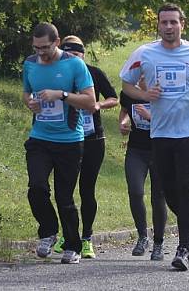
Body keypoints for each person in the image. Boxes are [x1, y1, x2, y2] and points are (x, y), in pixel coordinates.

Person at [120, 3, 189, 271]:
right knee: (168, 191)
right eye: (164, 23)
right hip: (160, 133)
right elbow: (126, 84)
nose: (168, 27)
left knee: (186, 186)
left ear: (182, 25)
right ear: (158, 26)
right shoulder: (145, 53)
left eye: (173, 22)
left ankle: (184, 247)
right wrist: (144, 95)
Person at [22, 22, 96, 264]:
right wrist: (30, 103)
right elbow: (26, 93)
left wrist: (61, 95)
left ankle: (73, 246)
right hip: (40, 138)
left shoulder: (74, 64)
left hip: (69, 140)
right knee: (37, 187)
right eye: (36, 47)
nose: (40, 52)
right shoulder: (30, 64)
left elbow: (90, 102)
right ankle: (48, 232)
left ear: (56, 42)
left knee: (65, 198)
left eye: (45, 47)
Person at [50, 36, 118, 259]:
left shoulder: (94, 73)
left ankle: (87, 238)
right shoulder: (57, 72)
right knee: (64, 191)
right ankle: (68, 236)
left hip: (92, 139)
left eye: (77, 55)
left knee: (86, 189)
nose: (73, 59)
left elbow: (114, 98)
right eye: (69, 55)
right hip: (66, 139)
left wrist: (97, 104)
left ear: (83, 55)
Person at [119, 88, 167, 260]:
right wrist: (123, 123)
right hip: (136, 150)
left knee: (158, 196)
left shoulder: (162, 92)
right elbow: (125, 111)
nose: (141, 78)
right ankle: (142, 236)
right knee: (135, 191)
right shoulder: (129, 93)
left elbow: (172, 120)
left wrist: (149, 116)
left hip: (160, 150)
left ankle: (158, 243)